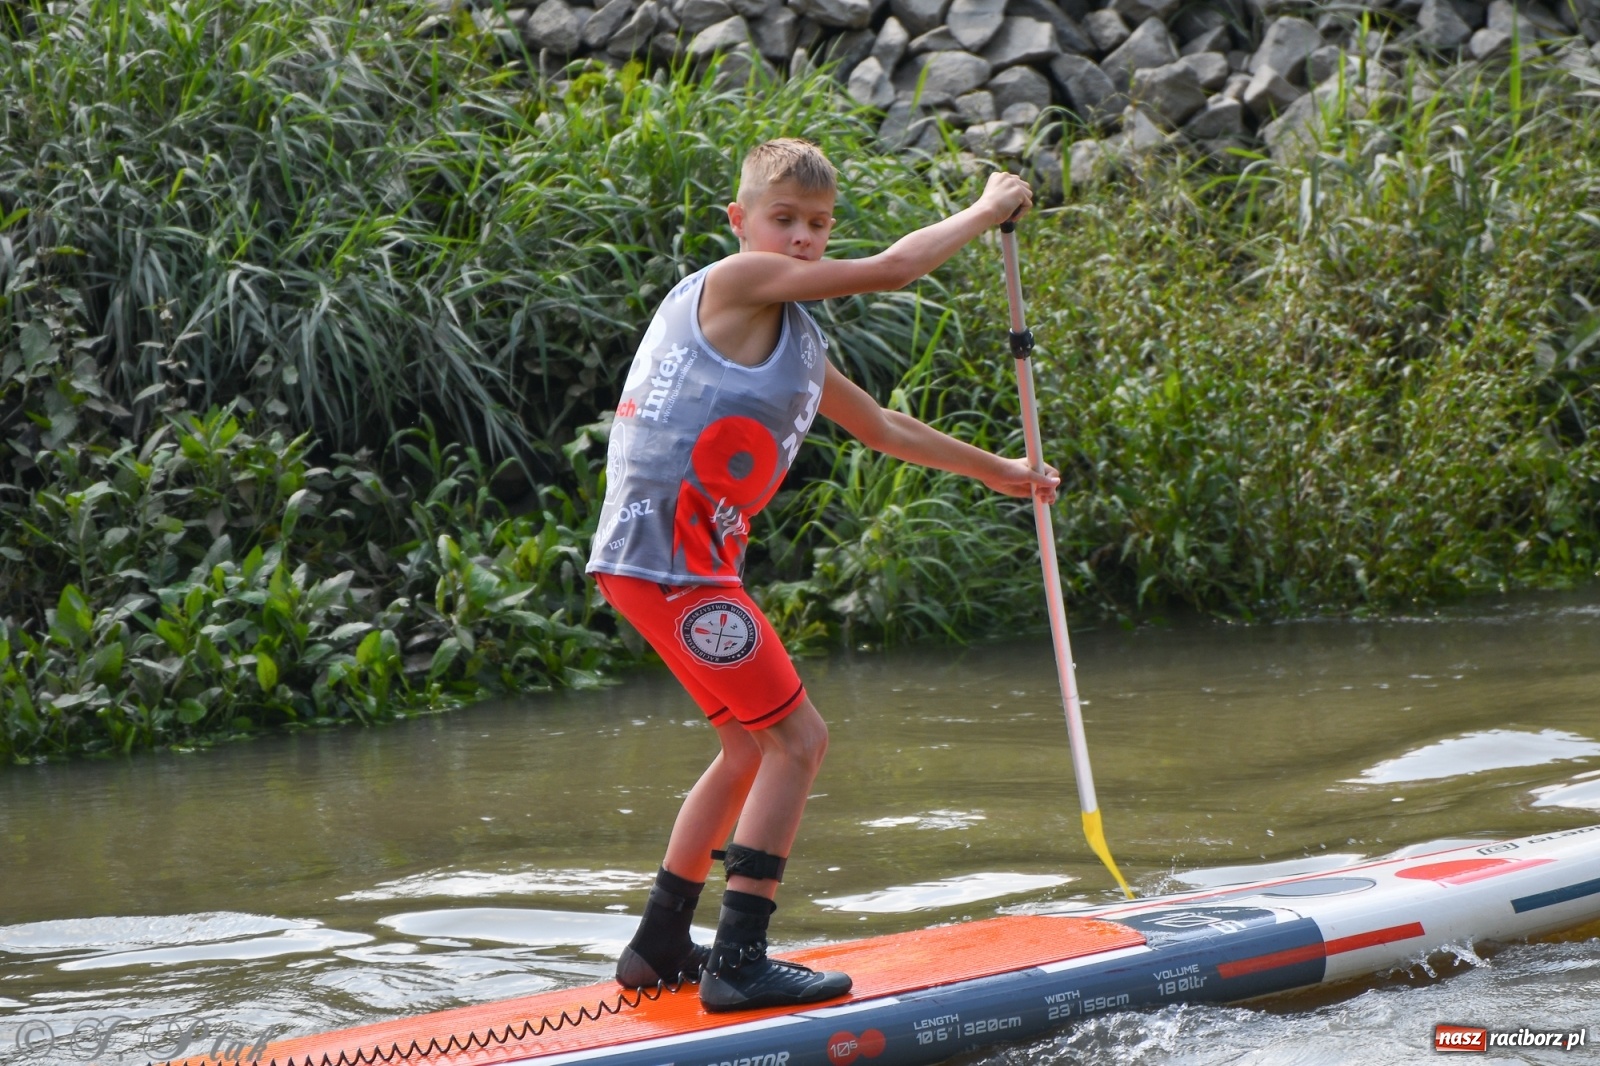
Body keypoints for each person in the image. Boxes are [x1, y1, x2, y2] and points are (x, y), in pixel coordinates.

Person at [585, 138, 1055, 1013]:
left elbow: (881, 426)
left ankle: (659, 942)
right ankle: (740, 961)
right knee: (798, 743)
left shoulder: (795, 341)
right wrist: (988, 210)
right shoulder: (733, 282)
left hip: (655, 569)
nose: (802, 239)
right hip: (673, 568)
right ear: (741, 221)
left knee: (744, 749)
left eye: (817, 225)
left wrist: (997, 468)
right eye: (785, 220)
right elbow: (892, 270)